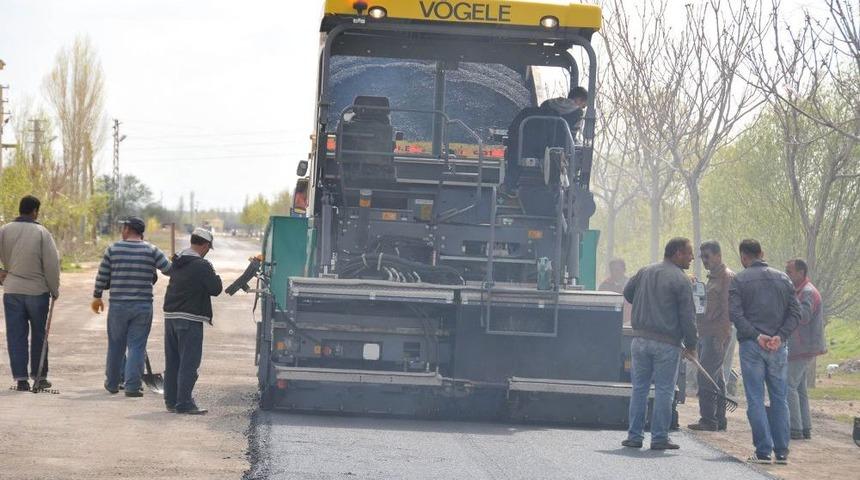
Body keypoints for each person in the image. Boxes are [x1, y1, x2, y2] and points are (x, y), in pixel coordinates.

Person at [621, 237, 698, 450]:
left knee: (639, 389)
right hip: (666, 344)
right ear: (677, 253)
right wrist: (691, 345)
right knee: (664, 390)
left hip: (639, 341)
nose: (692, 257)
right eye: (689, 253)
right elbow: (688, 317)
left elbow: (628, 293)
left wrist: (646, 304)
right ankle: (659, 438)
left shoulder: (645, 271)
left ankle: (634, 436)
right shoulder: (680, 280)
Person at [729, 239, 800, 465]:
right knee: (780, 398)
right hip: (778, 347)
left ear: (743, 256)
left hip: (752, 345)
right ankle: (781, 452)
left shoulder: (739, 280)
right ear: (762, 253)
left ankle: (762, 451)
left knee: (756, 399)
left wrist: (756, 335)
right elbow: (796, 314)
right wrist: (780, 336)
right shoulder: (784, 278)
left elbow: (735, 315)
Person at [92, 216, 171, 397]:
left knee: (116, 346)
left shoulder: (113, 249)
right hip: (143, 306)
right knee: (137, 346)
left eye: (124, 227)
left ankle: (112, 384)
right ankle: (132, 387)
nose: (122, 230)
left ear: (128, 229)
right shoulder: (151, 250)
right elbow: (168, 269)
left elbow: (102, 276)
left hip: (118, 306)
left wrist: (97, 296)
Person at [0, 195, 61, 391]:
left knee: (16, 335)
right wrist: (54, 289)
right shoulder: (42, 232)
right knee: (39, 334)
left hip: (12, 291)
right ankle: (40, 376)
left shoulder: (5, 230)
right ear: (35, 211)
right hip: (37, 292)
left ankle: (21, 379)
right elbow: (52, 265)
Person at [163, 228, 222, 414]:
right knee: (189, 362)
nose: (206, 252)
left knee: (173, 362)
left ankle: (171, 401)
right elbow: (215, 289)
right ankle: (184, 403)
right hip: (189, 319)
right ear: (204, 245)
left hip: (171, 317)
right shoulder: (202, 265)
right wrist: (217, 276)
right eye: (207, 248)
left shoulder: (178, 261)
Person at [500, 86, 588, 198]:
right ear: (579, 100)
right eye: (583, 105)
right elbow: (571, 136)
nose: (583, 108)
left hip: (527, 144)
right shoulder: (577, 113)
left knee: (515, 150)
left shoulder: (548, 104)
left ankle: (509, 185)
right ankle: (555, 193)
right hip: (552, 150)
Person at [688, 241, 735, 432]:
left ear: (718, 255)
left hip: (717, 334)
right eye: (702, 257)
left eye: (707, 256)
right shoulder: (712, 278)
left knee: (705, 375)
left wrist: (722, 336)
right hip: (707, 333)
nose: (704, 261)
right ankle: (719, 419)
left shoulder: (726, 277)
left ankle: (708, 419)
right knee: (716, 377)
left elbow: (727, 309)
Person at [785, 258, 826, 441]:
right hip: (800, 347)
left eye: (790, 272)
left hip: (804, 347)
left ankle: (795, 428)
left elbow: (803, 316)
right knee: (799, 388)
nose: (787, 275)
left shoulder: (807, 293)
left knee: (788, 385)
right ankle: (804, 427)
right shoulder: (800, 291)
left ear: (801, 273)